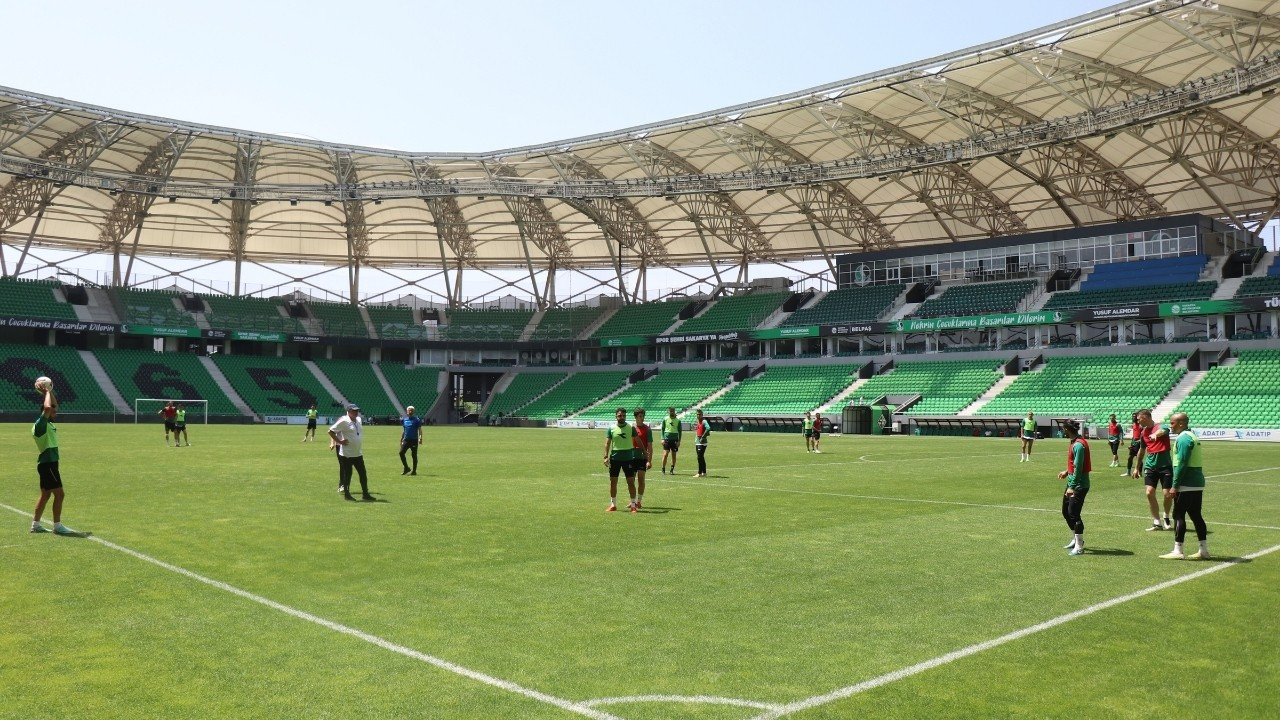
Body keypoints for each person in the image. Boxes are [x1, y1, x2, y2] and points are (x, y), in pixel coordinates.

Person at [1161, 412, 1210, 560]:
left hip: (1186, 482)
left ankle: (1178, 550)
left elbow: (1182, 462)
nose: (1171, 426)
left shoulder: (1183, 439)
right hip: (1196, 482)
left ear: (1181, 423)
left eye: (1173, 423)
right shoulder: (1192, 436)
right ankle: (1203, 550)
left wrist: (1175, 485)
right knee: (1196, 515)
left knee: (1178, 515)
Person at [30, 381, 77, 535]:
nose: (55, 412)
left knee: (46, 494)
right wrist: (46, 393)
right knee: (60, 494)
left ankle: (35, 525)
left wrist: (48, 392)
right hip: (48, 464)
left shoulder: (48, 422)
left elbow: (52, 406)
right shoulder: (40, 424)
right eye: (52, 412)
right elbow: (49, 407)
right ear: (45, 412)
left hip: (48, 463)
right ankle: (57, 526)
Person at [1132, 408, 1173, 531]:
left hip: (1165, 466)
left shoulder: (1161, 426)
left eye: (1139, 419)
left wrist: (1155, 434)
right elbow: (1142, 450)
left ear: (1145, 417)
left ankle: (1166, 515)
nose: (1138, 422)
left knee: (1167, 495)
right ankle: (1156, 522)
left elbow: (1164, 431)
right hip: (1150, 466)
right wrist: (1136, 467)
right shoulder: (1143, 432)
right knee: (1149, 492)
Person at [1057, 419, 1091, 556]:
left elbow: (1079, 467)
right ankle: (1076, 539)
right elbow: (1074, 464)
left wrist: (1072, 486)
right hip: (1073, 482)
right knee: (1066, 512)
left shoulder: (1078, 445)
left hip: (1078, 485)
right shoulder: (1075, 442)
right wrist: (1066, 471)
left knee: (1074, 514)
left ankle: (1079, 546)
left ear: (1066, 429)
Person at [329, 403, 373, 501]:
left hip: (358, 453)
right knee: (348, 474)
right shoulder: (344, 420)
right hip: (347, 454)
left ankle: (365, 494)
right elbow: (331, 431)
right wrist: (339, 441)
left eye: (357, 410)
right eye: (354, 410)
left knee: (363, 473)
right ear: (348, 411)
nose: (356, 412)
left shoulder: (359, 419)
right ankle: (347, 495)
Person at [602, 407, 639, 512]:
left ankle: (633, 505)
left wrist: (645, 453)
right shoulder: (611, 428)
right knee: (613, 482)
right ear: (616, 416)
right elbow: (607, 443)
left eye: (623, 415)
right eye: (619, 415)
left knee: (630, 482)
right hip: (615, 459)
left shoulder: (631, 428)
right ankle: (613, 504)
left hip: (628, 459)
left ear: (625, 416)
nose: (621, 417)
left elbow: (637, 440)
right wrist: (605, 456)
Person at [633, 408, 653, 509]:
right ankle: (633, 501)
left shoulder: (647, 429)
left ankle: (639, 501)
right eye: (640, 416)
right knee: (631, 480)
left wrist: (649, 460)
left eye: (643, 416)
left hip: (642, 457)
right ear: (636, 417)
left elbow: (650, 446)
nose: (642, 418)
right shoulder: (631, 428)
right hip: (631, 457)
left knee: (641, 479)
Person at [399, 405, 424, 476]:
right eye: (409, 410)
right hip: (406, 440)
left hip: (414, 440)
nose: (410, 411)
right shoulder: (404, 420)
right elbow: (404, 430)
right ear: (407, 411)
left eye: (411, 410)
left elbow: (419, 429)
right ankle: (406, 468)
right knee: (401, 453)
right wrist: (402, 438)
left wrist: (420, 437)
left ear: (413, 412)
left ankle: (414, 471)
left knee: (414, 455)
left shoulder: (417, 420)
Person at [660, 406, 682, 475]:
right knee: (665, 454)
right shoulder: (665, 419)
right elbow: (662, 429)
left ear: (674, 411)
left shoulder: (678, 421)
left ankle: (672, 469)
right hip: (667, 439)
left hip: (674, 440)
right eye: (670, 411)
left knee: (673, 455)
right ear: (668, 411)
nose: (671, 412)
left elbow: (680, 431)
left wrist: (679, 441)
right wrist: (662, 438)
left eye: (672, 411)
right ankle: (663, 469)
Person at [1124, 411, 1142, 477]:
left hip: (1139, 443)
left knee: (1139, 458)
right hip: (1133, 443)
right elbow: (1134, 436)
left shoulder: (1140, 425)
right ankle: (1128, 472)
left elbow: (1143, 435)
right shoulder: (1133, 425)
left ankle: (1139, 473)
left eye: (1134, 416)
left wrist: (1140, 441)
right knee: (1130, 458)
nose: (1133, 417)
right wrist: (1131, 444)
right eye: (1132, 416)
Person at [694, 409, 711, 477]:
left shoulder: (704, 421)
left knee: (699, 457)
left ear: (702, 415)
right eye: (697, 414)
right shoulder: (698, 422)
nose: (698, 415)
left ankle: (699, 473)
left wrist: (703, 437)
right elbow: (698, 431)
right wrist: (696, 438)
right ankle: (704, 472)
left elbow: (708, 428)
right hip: (698, 442)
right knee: (701, 457)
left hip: (702, 442)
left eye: (700, 414)